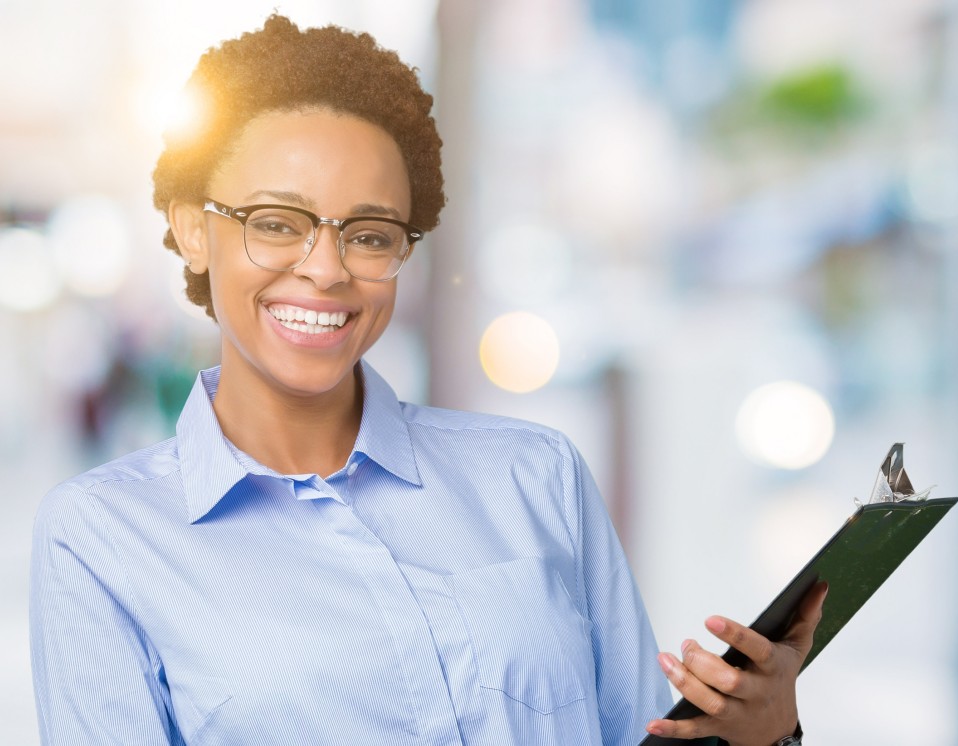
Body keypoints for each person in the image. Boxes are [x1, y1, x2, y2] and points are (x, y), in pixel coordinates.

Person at [29, 14, 824, 746]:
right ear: (193, 231)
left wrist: (766, 734)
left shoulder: (534, 475)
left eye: (370, 235)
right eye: (277, 222)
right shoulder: (102, 539)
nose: (326, 270)